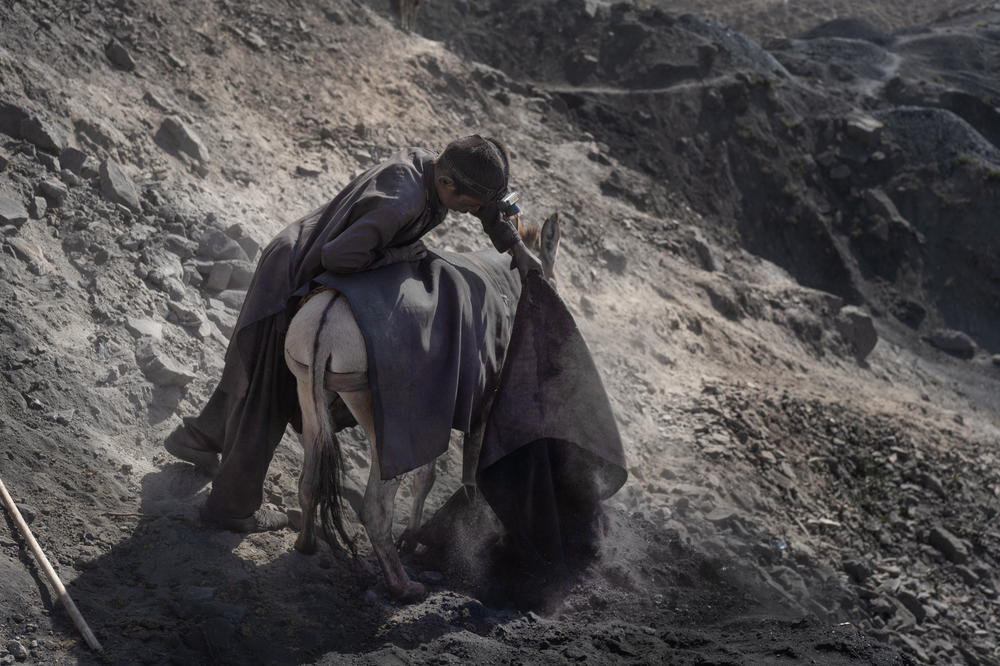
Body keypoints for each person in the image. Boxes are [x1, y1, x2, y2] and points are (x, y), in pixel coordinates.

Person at [164, 135, 543, 532]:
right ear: (447, 184)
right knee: (267, 396)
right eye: (468, 205)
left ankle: (197, 439)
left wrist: (515, 248)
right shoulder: (403, 201)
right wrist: (401, 254)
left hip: (304, 253)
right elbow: (339, 256)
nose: (471, 213)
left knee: (252, 372)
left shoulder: (440, 167)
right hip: (294, 273)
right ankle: (232, 509)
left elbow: (488, 205)